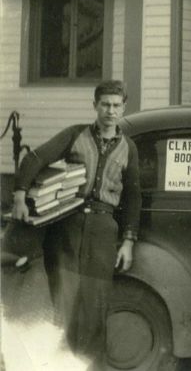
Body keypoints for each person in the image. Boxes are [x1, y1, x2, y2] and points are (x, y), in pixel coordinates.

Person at [12, 80, 141, 365]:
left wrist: (128, 241)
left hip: (104, 233)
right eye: (104, 104)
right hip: (66, 229)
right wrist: (20, 194)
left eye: (116, 105)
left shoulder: (128, 148)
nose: (110, 111)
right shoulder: (74, 135)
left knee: (95, 308)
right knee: (64, 307)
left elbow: (133, 197)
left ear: (124, 108)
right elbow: (36, 158)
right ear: (94, 106)